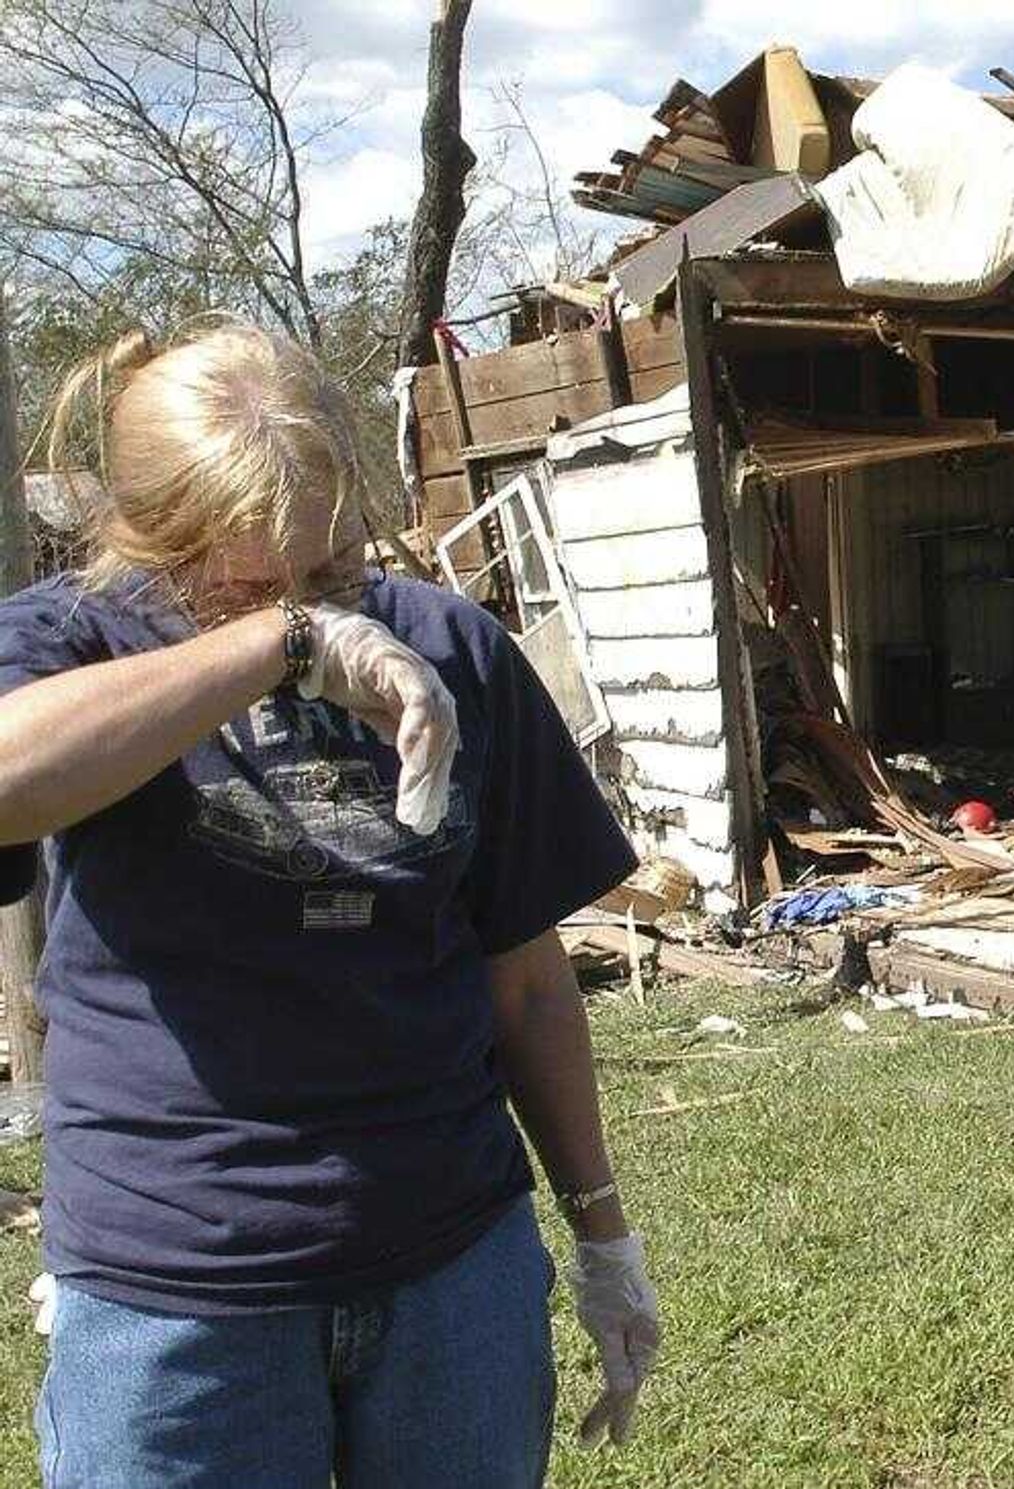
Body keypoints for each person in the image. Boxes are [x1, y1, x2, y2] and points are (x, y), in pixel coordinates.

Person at [0, 322, 661, 1488]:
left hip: (451, 1264)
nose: (308, 599)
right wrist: (287, 644)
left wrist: (600, 1227)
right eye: (247, 582)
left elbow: (524, 971)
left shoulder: (452, 647)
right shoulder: (70, 640)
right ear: (153, 541)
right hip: (176, 1296)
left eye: (326, 570)